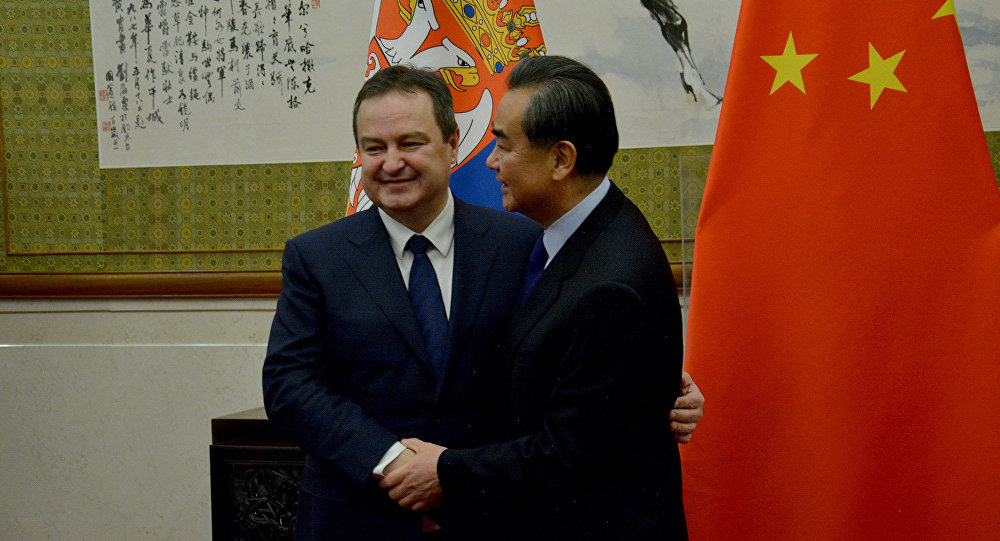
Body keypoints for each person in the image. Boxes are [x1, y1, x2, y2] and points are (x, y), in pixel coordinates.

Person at [263, 64, 701, 541]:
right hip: (360, 517)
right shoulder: (316, 257)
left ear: (453, 144)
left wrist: (661, 389)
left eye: (410, 143)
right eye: (373, 148)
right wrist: (392, 461)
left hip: (495, 517)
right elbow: (290, 386)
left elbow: (574, 353)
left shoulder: (523, 242)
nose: (391, 163)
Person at [381, 56, 689, 540]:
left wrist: (444, 471)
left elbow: (566, 455)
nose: (491, 162)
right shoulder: (573, 235)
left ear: (561, 159)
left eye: (504, 145)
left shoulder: (610, 283)